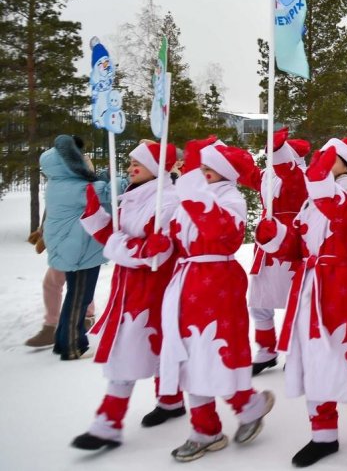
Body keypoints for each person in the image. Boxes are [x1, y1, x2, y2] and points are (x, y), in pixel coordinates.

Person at [254, 136, 347, 468]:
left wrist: (317, 183)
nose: (321, 162)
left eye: (330, 157)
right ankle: (323, 435)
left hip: (343, 286)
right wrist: (275, 237)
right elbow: (297, 249)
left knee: (343, 357)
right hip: (308, 288)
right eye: (320, 157)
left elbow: (345, 219)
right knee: (312, 359)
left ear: (346, 164)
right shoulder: (309, 205)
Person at [159, 140, 274, 462]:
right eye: (200, 170)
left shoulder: (230, 198)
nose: (200, 175)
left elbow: (220, 231)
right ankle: (205, 430)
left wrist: (192, 193)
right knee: (190, 355)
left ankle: (247, 406)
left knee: (217, 352)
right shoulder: (189, 200)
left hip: (218, 282)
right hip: (187, 282)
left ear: (221, 174)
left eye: (206, 170)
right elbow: (178, 238)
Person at [71, 141, 186, 451]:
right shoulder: (135, 198)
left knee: (127, 352)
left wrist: (123, 247)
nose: (132, 166)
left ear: (158, 167)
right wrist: (97, 218)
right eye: (131, 160)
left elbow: (154, 254)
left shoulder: (166, 201)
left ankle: (107, 423)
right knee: (159, 345)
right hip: (130, 288)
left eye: (140, 161)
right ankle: (171, 400)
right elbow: (120, 241)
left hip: (152, 290)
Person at [38, 134, 118, 360]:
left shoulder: (60, 183)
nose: (85, 160)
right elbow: (107, 192)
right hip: (79, 252)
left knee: (75, 296)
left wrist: (102, 176)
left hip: (72, 248)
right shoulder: (76, 188)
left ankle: (63, 340)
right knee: (79, 298)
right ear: (69, 164)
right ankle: (72, 346)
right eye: (81, 157)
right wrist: (116, 178)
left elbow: (94, 187)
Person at [248, 129, 310, 376]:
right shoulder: (268, 177)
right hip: (265, 244)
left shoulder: (301, 177)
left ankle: (297, 351)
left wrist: (276, 148)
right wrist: (219, 152)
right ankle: (266, 350)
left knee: (294, 302)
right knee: (259, 301)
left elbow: (288, 172)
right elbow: (248, 173)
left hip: (290, 243)